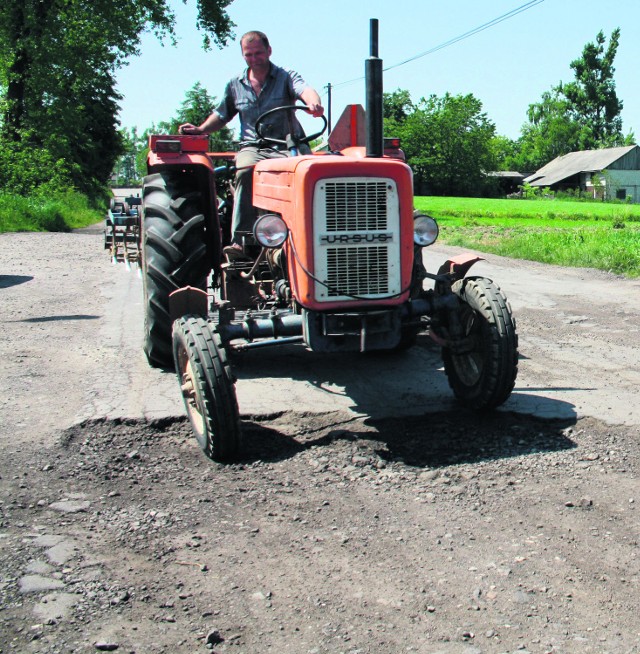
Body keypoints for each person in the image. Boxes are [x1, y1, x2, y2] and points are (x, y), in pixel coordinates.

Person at [179, 30, 324, 258]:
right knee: (245, 170)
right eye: (249, 54)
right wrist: (201, 130)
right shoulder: (236, 84)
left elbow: (304, 90)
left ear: (269, 51)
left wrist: (314, 103)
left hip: (288, 145)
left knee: (309, 174)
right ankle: (241, 241)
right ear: (243, 56)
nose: (254, 58)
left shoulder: (285, 76)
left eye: (258, 53)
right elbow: (222, 114)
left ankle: (314, 235)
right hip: (254, 147)